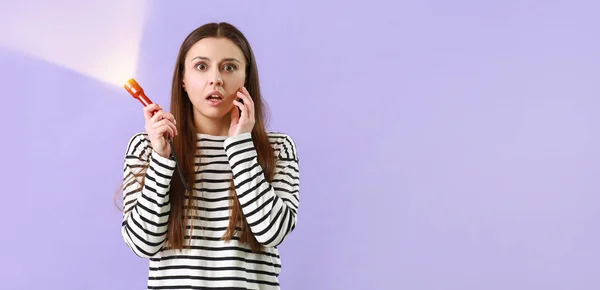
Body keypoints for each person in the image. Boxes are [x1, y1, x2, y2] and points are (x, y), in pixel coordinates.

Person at [119, 22, 300, 289]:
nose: (215, 79)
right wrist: (161, 159)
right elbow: (143, 242)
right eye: (201, 66)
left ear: (246, 78)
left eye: (229, 67)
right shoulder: (146, 148)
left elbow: (272, 231)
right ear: (183, 78)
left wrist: (240, 146)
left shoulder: (278, 148)